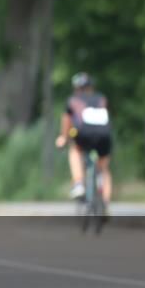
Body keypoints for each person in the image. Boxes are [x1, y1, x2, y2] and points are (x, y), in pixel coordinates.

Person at [55, 72, 113, 205]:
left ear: (76, 88)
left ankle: (78, 183)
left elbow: (67, 120)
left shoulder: (73, 100)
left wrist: (63, 137)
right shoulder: (101, 98)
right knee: (104, 169)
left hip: (83, 133)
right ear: (91, 87)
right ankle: (105, 203)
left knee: (75, 149)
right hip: (104, 134)